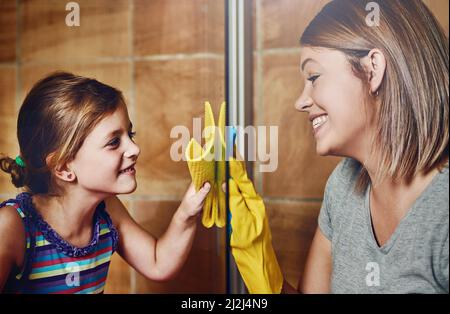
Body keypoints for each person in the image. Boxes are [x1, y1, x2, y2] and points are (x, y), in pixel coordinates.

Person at [229, 0, 448, 294]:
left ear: (373, 69)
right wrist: (264, 269)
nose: (300, 101)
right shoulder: (344, 187)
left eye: (314, 77)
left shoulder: (442, 212)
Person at [0, 72, 211, 293]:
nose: (134, 149)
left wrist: (187, 213)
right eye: (113, 142)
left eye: (131, 134)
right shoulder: (13, 227)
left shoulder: (107, 211)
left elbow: (158, 263)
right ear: (63, 167)